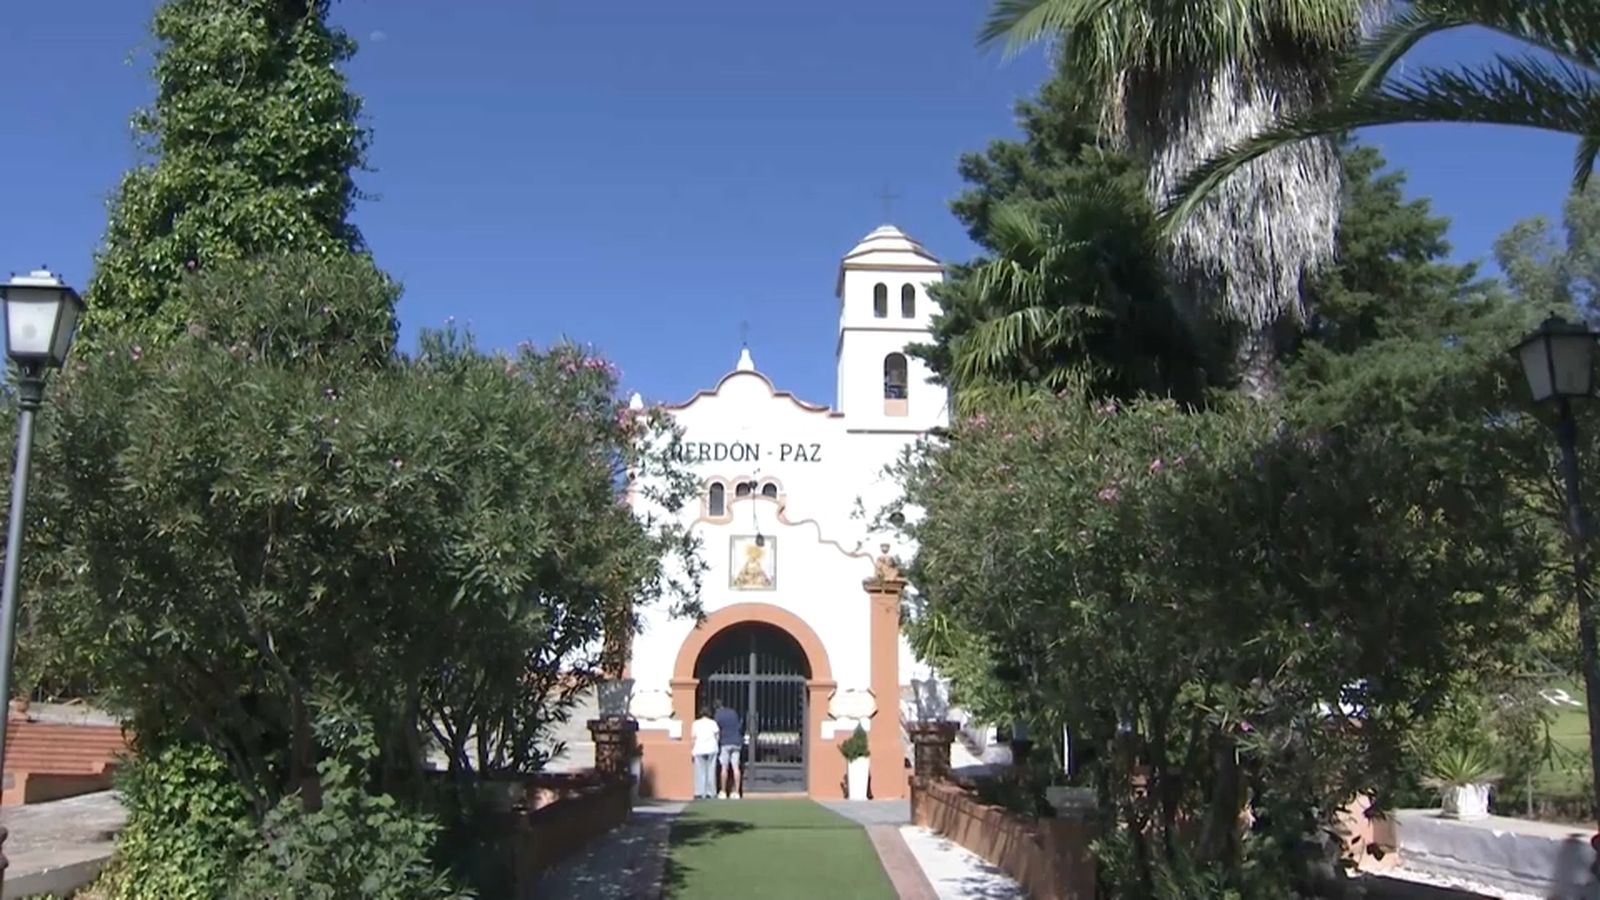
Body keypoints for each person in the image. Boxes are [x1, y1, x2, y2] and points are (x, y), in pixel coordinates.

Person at [714, 699, 744, 799]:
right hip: (736, 741)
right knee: (736, 767)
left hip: (725, 742)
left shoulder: (718, 715)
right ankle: (736, 792)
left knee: (724, 767)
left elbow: (717, 729)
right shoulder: (733, 712)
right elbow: (739, 725)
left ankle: (723, 791)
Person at [690, 704, 719, 800]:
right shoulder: (713, 723)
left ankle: (699, 792)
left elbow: (693, 738)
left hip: (699, 748)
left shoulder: (696, 723)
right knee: (711, 770)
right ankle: (711, 792)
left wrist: (692, 749)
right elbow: (717, 736)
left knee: (700, 771)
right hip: (711, 748)